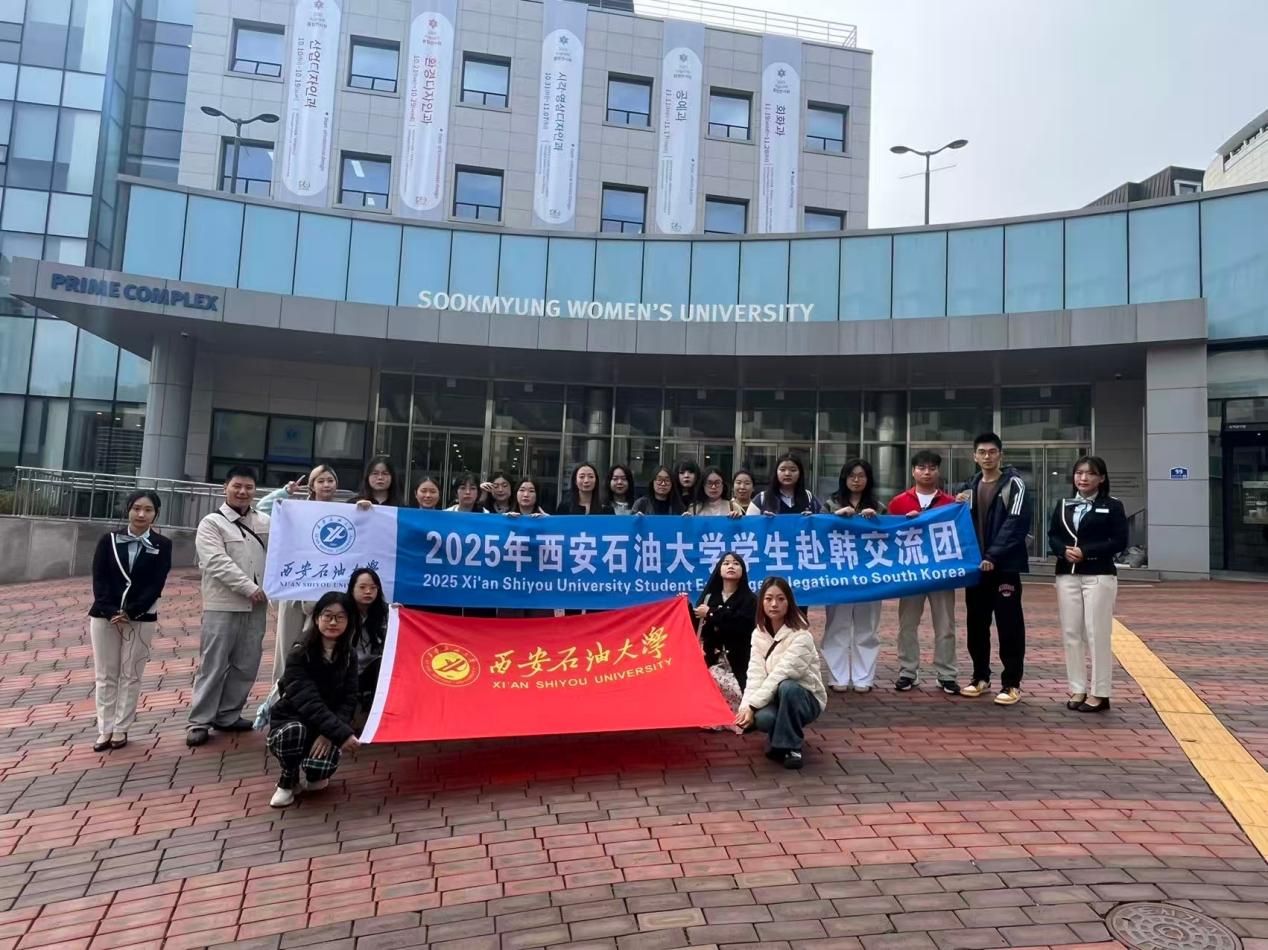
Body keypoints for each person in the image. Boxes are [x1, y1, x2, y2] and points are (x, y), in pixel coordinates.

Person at [188, 466, 270, 747]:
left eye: (248, 487)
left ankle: (228, 715)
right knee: (213, 663)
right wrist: (249, 587)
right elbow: (216, 562)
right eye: (237, 486)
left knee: (247, 663)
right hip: (223, 604)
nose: (242, 492)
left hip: (257, 606)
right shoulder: (211, 523)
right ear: (225, 488)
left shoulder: (265, 521)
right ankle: (199, 721)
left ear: (255, 490)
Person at [88, 490, 172, 751]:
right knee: (105, 674)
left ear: (156, 514)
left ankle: (121, 729)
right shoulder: (109, 540)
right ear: (128, 510)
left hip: (141, 617)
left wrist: (132, 611)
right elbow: (99, 578)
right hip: (105, 616)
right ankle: (104, 729)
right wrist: (110, 609)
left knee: (131, 674)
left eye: (148, 510)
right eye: (136, 508)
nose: (141, 514)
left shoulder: (163, 544)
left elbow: (156, 583)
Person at [956, 433, 1032, 706]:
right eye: (982, 452)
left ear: (1000, 455)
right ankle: (980, 677)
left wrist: (993, 555)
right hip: (976, 569)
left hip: (1004, 568)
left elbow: (1015, 524)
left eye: (992, 452)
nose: (987, 456)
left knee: (1009, 625)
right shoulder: (969, 487)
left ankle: (1011, 683)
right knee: (976, 624)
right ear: (974, 456)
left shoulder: (1015, 485)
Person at [1048, 456, 1128, 713]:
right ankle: (1077, 688)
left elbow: (1119, 541)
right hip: (1067, 575)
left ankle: (1100, 693)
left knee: (1097, 634)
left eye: (1090, 473)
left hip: (1099, 575)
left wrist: (1087, 552)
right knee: (1072, 633)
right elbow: (1053, 536)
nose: (1083, 478)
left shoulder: (1112, 506)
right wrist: (1062, 551)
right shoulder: (1063, 504)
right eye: (1079, 473)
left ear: (1101, 478)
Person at [266, 591, 360, 808]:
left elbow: (349, 699)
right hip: (292, 719)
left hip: (324, 726)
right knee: (294, 733)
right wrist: (341, 734)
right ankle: (287, 780)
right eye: (327, 616)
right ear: (317, 618)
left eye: (340, 617)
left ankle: (313, 771)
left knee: (318, 780)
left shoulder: (349, 654)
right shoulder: (300, 652)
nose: (333, 622)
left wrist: (329, 735)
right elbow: (308, 702)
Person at [257, 463, 341, 686]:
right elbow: (263, 508)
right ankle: (281, 693)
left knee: (318, 645)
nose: (326, 485)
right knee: (288, 645)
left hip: (325, 590)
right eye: (320, 481)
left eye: (330, 480)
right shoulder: (295, 509)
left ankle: (312, 693)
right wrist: (286, 491)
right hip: (294, 588)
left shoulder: (345, 512)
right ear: (312, 486)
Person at [887, 451, 960, 695]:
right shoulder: (898, 503)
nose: (926, 472)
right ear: (913, 471)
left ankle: (946, 674)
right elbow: (888, 537)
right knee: (907, 625)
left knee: (946, 626)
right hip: (911, 574)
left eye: (932, 468)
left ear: (938, 471)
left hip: (941, 574)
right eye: (921, 468)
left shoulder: (951, 504)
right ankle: (908, 671)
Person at [735, 577, 826, 770]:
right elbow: (755, 673)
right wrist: (746, 708)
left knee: (788, 686)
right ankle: (780, 738)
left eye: (781, 599)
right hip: (774, 696)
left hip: (805, 698)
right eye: (768, 599)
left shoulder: (801, 635)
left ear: (789, 602)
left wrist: (753, 705)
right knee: (764, 719)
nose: (774, 604)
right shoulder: (758, 634)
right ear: (761, 602)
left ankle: (792, 748)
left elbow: (781, 674)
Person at [822, 460, 884, 694]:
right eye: (852, 476)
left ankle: (863, 678)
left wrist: (876, 521)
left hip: (870, 577)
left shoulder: (878, 506)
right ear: (844, 478)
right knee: (836, 626)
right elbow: (817, 532)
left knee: (867, 628)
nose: (856, 480)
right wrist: (835, 517)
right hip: (838, 576)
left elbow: (891, 537)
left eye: (861, 476)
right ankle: (837, 676)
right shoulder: (831, 504)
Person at [693, 552, 756, 689]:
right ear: (719, 569)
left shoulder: (750, 600)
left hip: (742, 663)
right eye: (726, 563)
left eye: (736, 563)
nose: (731, 566)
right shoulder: (708, 598)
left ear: (743, 570)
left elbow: (742, 624)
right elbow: (696, 625)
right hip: (711, 662)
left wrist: (711, 613)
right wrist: (684, 606)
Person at [348, 568, 388, 711]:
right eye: (362, 587)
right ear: (352, 589)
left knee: (383, 665)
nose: (368, 591)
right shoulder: (342, 612)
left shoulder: (385, 613)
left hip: (371, 670)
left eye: (373, 588)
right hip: (346, 671)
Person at [756, 455, 822, 515]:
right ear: (776, 472)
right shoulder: (762, 498)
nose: (787, 474)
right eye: (782, 470)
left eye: (793, 470)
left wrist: (812, 518)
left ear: (800, 473)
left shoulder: (809, 497)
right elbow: (750, 522)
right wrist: (763, 520)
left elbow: (822, 520)